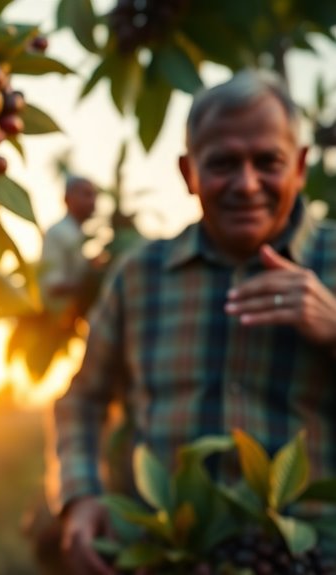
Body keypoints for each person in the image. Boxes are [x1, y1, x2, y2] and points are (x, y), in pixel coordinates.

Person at [50, 69, 336, 575]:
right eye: (223, 163)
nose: (247, 184)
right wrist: (81, 494)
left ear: (300, 166)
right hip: (166, 557)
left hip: (309, 557)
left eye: (267, 162)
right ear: (188, 173)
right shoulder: (140, 275)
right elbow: (84, 399)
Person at [39, 175, 104, 323]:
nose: (93, 201)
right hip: (56, 324)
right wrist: (96, 282)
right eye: (87, 194)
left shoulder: (78, 234)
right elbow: (52, 285)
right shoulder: (58, 232)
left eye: (94, 196)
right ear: (67, 199)